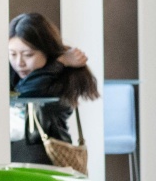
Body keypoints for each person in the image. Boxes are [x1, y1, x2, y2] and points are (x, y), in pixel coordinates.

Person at [8, 12, 96, 165]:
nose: (19, 63)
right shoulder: (12, 74)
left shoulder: (62, 76)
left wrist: (60, 62)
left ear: (47, 51)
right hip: (19, 161)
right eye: (12, 54)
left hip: (48, 163)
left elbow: (23, 94)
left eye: (28, 55)